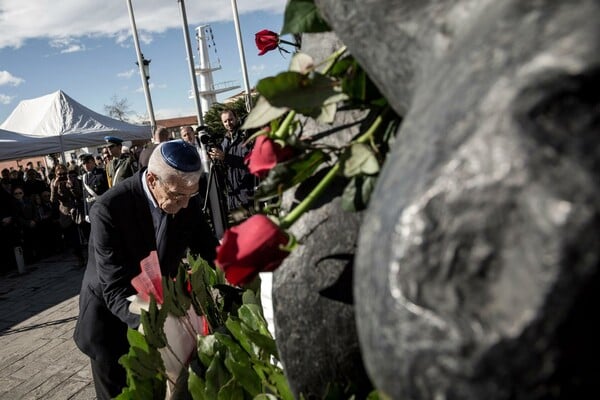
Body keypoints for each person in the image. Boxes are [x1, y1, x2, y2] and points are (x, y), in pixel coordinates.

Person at [73, 140, 219, 399]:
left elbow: (209, 249)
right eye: (177, 196)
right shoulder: (109, 209)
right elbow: (114, 288)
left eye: (191, 195)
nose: (185, 205)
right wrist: (153, 324)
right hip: (111, 320)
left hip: (161, 313)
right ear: (152, 180)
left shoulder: (185, 198)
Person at [208, 109, 256, 219]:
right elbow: (225, 165)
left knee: (255, 227)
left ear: (236, 118)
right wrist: (216, 157)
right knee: (241, 228)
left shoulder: (246, 136)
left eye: (230, 119)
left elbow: (250, 162)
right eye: (225, 121)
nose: (228, 123)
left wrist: (226, 157)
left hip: (249, 192)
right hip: (234, 194)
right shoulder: (226, 140)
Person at [81, 153, 109, 226]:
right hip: (91, 210)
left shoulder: (101, 173)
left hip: (101, 209)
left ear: (93, 162)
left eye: (88, 163)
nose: (86, 166)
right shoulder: (84, 177)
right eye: (83, 163)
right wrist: (86, 213)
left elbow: (107, 192)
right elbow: (85, 197)